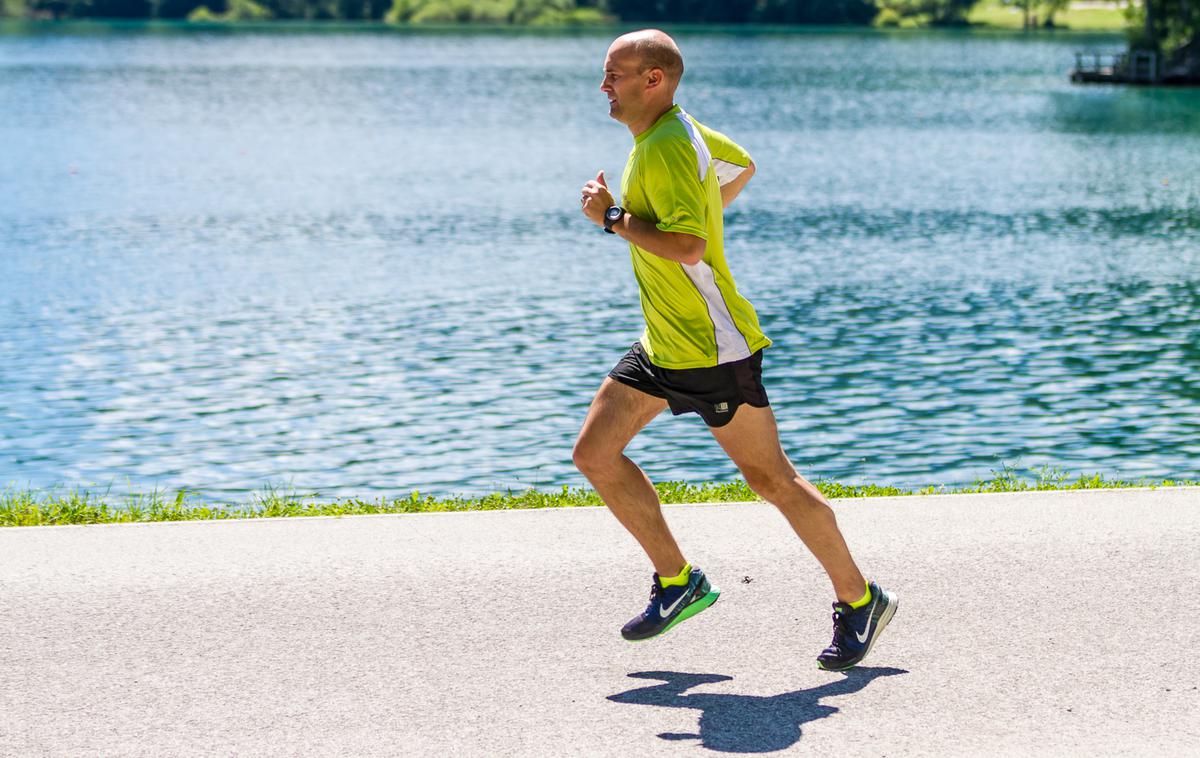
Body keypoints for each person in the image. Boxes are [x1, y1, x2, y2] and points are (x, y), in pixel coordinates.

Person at [574, 29, 897, 671]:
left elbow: (690, 248)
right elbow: (742, 165)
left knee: (770, 478)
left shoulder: (666, 148)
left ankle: (860, 599)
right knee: (595, 453)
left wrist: (612, 219)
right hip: (663, 341)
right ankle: (677, 580)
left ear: (654, 80)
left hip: (711, 347)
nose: (603, 86)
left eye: (615, 74)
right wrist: (694, 216)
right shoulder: (677, 133)